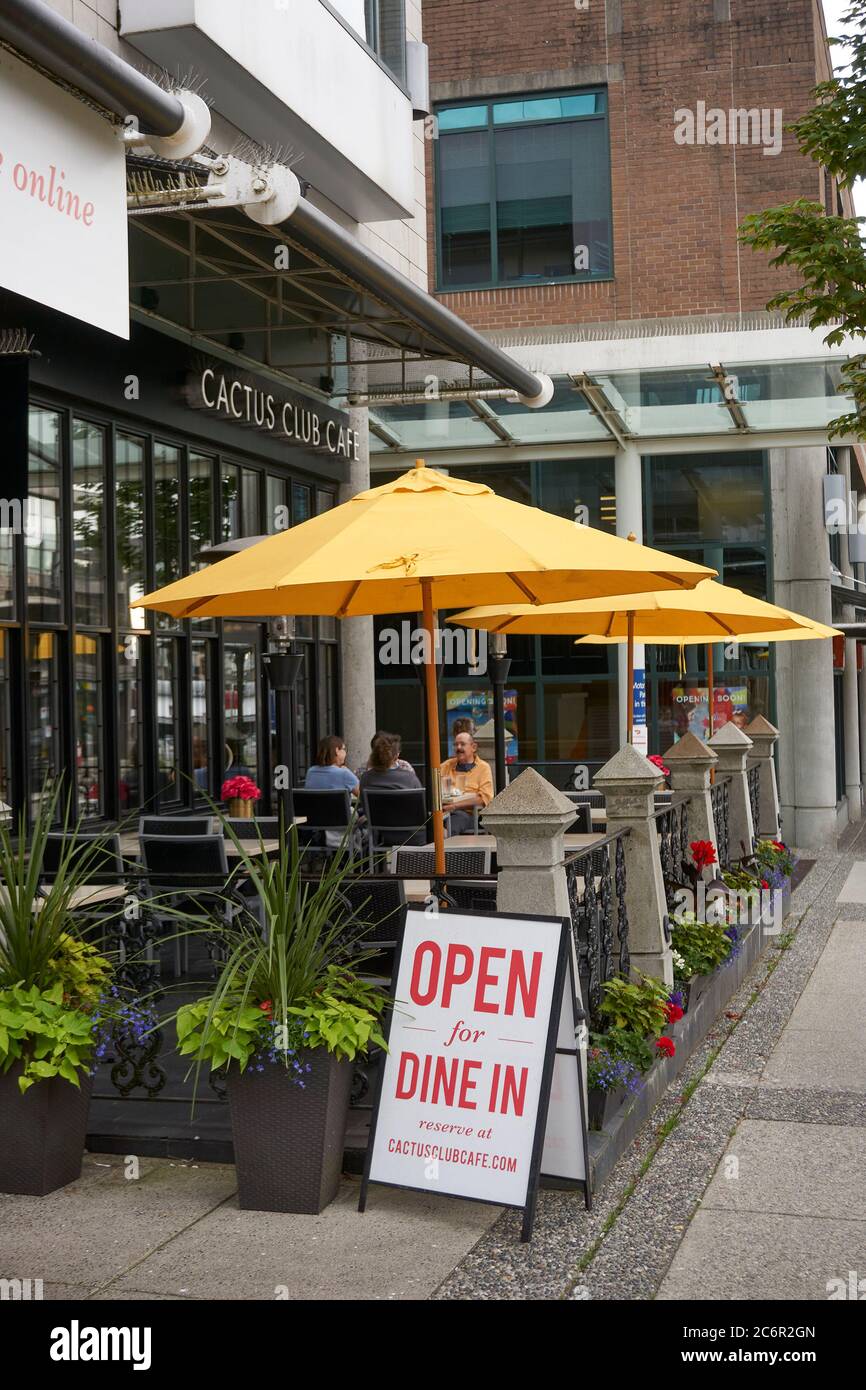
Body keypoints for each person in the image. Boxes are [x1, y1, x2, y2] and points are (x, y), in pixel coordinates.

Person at [439, 729, 494, 835]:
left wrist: (455, 806)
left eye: (462, 744)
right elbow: (435, 789)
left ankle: (443, 842)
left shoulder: (483, 768)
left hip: (469, 814)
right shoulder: (446, 766)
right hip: (444, 812)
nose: (458, 748)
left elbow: (484, 799)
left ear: (473, 747)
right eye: (456, 744)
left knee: (459, 818)